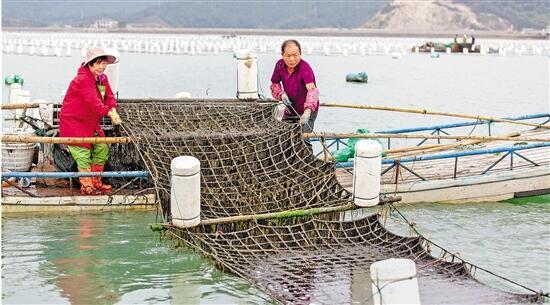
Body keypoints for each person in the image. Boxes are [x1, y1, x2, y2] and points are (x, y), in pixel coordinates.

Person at [59, 46, 122, 195]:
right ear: (90, 63)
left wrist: (112, 108)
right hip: (73, 123)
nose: (102, 67)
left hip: (90, 123)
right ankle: (87, 186)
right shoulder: (82, 80)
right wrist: (107, 112)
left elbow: (109, 97)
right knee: (82, 153)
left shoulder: (102, 79)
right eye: (99, 63)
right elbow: (92, 102)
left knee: (102, 147)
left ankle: (96, 181)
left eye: (104, 63)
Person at [270, 39, 320, 140]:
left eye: (295, 55)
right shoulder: (279, 65)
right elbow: (274, 84)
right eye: (288, 56)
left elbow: (312, 90)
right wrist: (281, 94)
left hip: (307, 111)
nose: (292, 59)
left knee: (302, 140)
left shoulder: (305, 68)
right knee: (284, 138)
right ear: (282, 54)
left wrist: (308, 110)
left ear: (300, 54)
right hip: (290, 109)